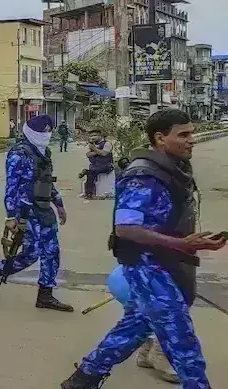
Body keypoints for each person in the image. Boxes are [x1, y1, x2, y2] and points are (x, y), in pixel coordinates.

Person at [61, 109, 223, 389]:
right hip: (148, 266)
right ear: (160, 138)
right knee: (182, 342)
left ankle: (84, 378)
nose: (191, 140)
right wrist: (181, 243)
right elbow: (126, 228)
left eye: (192, 133)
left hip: (171, 263)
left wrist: (194, 242)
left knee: (135, 326)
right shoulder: (143, 175)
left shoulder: (174, 169)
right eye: (183, 134)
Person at [0, 114, 73, 312]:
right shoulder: (18, 155)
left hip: (44, 209)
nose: (47, 135)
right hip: (26, 211)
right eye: (43, 132)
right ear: (32, 133)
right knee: (31, 255)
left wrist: (59, 204)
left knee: (52, 252)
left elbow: (47, 181)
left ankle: (45, 295)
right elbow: (11, 188)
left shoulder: (44, 153)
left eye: (49, 131)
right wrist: (11, 216)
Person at [82, 130, 114, 199]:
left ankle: (89, 194)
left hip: (107, 166)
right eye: (91, 136)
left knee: (91, 173)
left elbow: (104, 154)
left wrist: (94, 149)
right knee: (91, 172)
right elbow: (88, 154)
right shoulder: (92, 144)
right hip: (96, 166)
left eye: (94, 135)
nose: (92, 137)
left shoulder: (107, 144)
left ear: (100, 135)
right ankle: (89, 193)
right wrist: (98, 151)